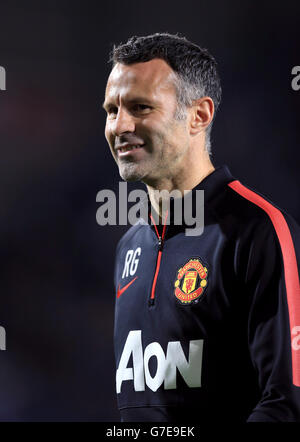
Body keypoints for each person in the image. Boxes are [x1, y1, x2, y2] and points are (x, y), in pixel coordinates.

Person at [102, 32, 300, 422]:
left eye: (140, 107)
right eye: (111, 110)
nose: (119, 125)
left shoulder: (259, 231)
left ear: (200, 115)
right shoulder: (129, 246)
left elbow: (287, 403)